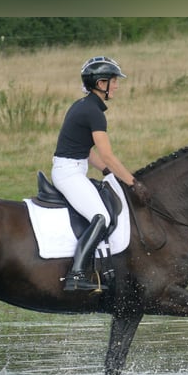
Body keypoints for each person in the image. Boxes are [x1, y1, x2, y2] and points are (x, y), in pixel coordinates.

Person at [52, 56, 151, 291]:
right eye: (113, 81)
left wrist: (107, 172)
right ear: (100, 83)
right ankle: (76, 276)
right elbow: (107, 154)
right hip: (68, 174)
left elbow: (85, 151)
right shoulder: (93, 112)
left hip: (72, 168)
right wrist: (133, 183)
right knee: (101, 217)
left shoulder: (84, 106)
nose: (116, 86)